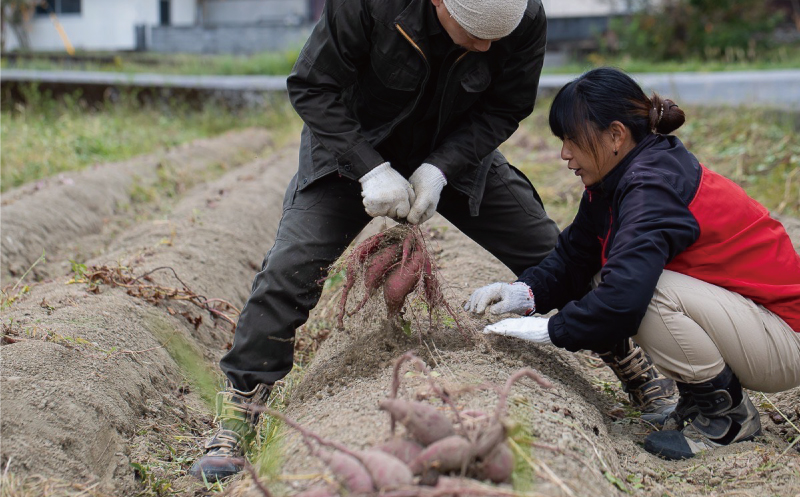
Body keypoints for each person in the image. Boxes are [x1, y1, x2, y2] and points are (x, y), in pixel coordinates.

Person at [189, 0, 675, 480]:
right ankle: (241, 403)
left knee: (549, 251)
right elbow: (313, 86)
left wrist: (441, 167)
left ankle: (628, 360)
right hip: (353, 145)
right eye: (474, 31)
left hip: (454, 151)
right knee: (290, 268)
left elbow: (507, 105)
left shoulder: (523, 16)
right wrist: (370, 167)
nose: (486, 46)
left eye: (495, 38)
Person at [465, 67, 800, 461]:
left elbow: (624, 300)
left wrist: (553, 329)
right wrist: (525, 292)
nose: (564, 154)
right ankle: (699, 399)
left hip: (784, 337)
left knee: (646, 292)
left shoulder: (650, 187)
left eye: (572, 139)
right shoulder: (617, 181)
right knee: (615, 277)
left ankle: (726, 419)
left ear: (616, 135)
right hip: (750, 322)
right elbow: (575, 256)